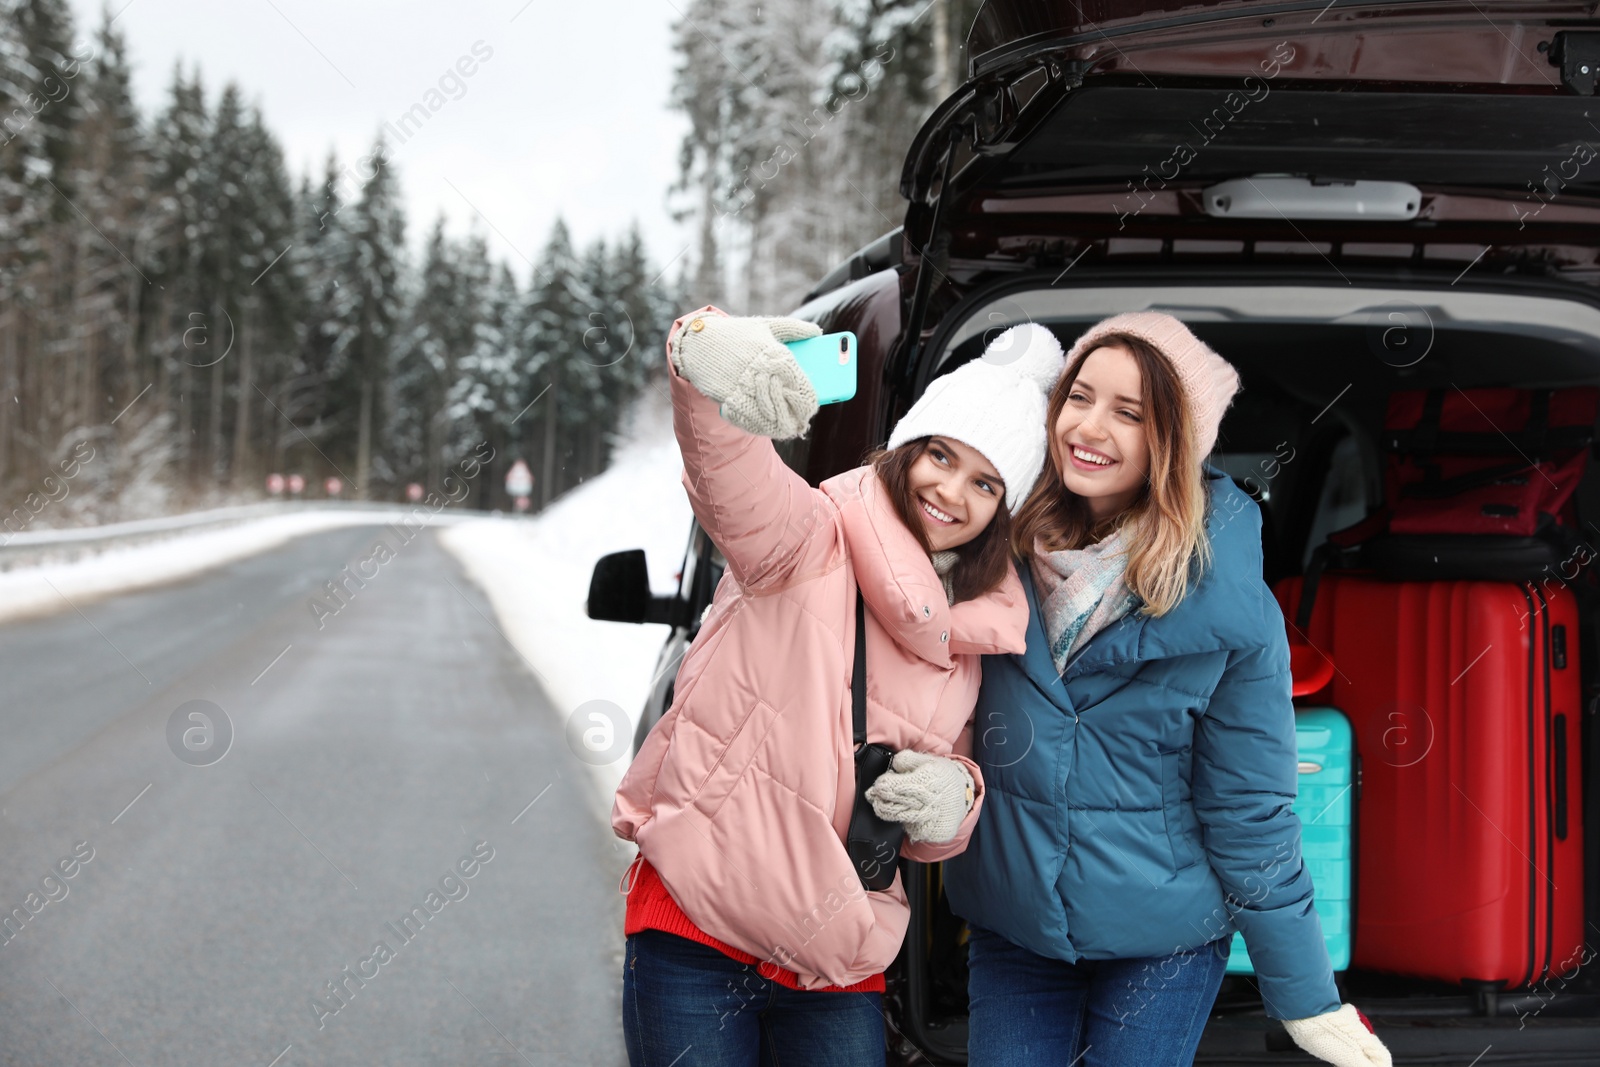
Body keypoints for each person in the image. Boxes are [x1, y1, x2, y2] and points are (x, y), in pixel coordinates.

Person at [612, 309, 1066, 1066]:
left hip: (837, 959)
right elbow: (727, 475)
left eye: (985, 482)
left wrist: (956, 797)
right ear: (906, 450)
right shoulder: (808, 536)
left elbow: (934, 819)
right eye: (940, 456)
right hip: (697, 928)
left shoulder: (968, 642)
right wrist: (699, 353)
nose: (951, 491)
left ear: (1002, 511)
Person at [943, 313, 1393, 1067]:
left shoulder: (1231, 607)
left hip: (1165, 939)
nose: (1088, 426)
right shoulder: (989, 545)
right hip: (1015, 927)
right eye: (1078, 397)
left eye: (1130, 413)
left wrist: (1307, 996)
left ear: (1173, 442)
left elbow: (1249, 808)